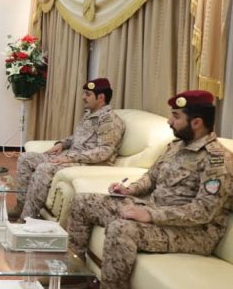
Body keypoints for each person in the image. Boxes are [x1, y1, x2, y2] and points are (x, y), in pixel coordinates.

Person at [68, 90, 233, 289]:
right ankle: (74, 277)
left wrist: (150, 215)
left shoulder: (217, 160)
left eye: (176, 116)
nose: (169, 121)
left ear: (196, 122)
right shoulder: (176, 146)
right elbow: (151, 177)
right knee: (84, 201)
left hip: (193, 233)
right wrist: (129, 190)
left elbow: (203, 211)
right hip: (155, 212)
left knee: (121, 230)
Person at [12, 78, 125, 219]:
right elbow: (76, 138)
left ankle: (27, 219)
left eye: (88, 94)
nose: (83, 97)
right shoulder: (89, 115)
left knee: (44, 168)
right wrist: (62, 144)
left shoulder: (109, 120)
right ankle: (21, 206)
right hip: (72, 157)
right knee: (25, 158)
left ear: (101, 97)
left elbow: (104, 152)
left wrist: (69, 158)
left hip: (88, 164)